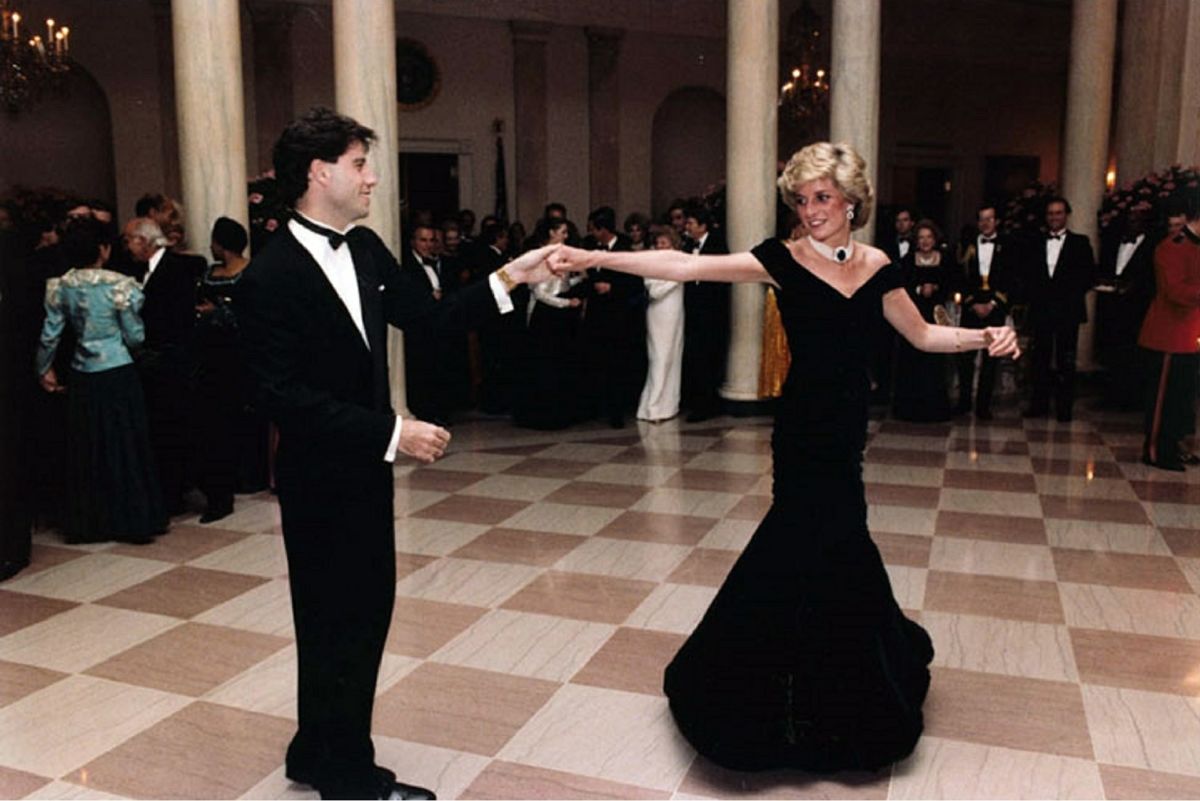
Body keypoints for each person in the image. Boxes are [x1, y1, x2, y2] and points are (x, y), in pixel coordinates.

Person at [550, 141, 1019, 773]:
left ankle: (849, 687)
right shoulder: (782, 259)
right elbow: (686, 267)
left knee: (841, 539)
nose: (810, 210)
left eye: (822, 197)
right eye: (800, 199)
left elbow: (924, 333)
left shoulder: (880, 265)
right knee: (811, 539)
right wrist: (590, 255)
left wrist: (983, 337)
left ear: (852, 200)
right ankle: (766, 694)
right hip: (802, 430)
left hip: (848, 429)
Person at [237, 107, 556, 801]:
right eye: (359, 163)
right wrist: (393, 431)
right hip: (321, 476)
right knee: (339, 619)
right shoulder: (269, 277)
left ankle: (316, 748)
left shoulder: (367, 247)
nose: (372, 176)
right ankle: (348, 777)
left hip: (363, 475)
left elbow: (435, 319)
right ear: (320, 173)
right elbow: (280, 397)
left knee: (355, 614)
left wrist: (513, 277)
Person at [35, 216, 165, 545]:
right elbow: (135, 336)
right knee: (125, 444)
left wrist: (43, 368)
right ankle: (134, 519)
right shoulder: (120, 285)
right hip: (118, 370)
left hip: (83, 372)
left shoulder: (60, 286)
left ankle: (91, 522)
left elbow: (50, 335)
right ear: (103, 250)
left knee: (88, 447)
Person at [194, 217, 256, 523]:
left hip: (240, 352)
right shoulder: (208, 272)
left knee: (242, 411)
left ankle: (247, 475)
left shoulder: (251, 271)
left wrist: (219, 312)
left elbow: (253, 313)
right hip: (209, 355)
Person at [1137, 190, 1200, 471]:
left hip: (1191, 336)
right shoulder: (1172, 246)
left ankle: (1174, 445)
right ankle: (1155, 450)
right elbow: (1175, 292)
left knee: (1183, 398)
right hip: (1169, 335)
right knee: (1164, 398)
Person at [1023, 196, 1095, 422]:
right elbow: (1028, 276)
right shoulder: (1035, 242)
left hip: (1067, 310)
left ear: (1066, 215)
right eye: (1051, 213)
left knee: (1066, 360)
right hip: (1041, 310)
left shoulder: (1080, 242)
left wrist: (1065, 296)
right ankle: (1039, 404)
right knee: (1039, 359)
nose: (1054, 217)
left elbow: (1088, 277)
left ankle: (1065, 409)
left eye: (1059, 213)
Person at [513, 217, 583, 430]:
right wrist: (566, 303)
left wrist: (579, 279)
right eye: (562, 231)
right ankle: (541, 415)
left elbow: (559, 285)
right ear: (551, 233)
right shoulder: (538, 256)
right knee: (543, 365)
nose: (566, 235)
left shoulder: (560, 255)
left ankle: (558, 413)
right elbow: (540, 292)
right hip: (543, 316)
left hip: (557, 318)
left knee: (557, 364)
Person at [955, 203, 1019, 420]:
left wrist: (993, 303)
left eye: (990, 219)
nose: (985, 223)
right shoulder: (967, 244)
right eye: (982, 219)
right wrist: (972, 302)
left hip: (995, 308)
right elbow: (959, 277)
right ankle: (964, 402)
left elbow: (1013, 277)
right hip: (972, 308)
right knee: (965, 358)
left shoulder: (1008, 245)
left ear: (997, 221)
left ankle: (983, 406)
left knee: (991, 360)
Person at [892, 219, 952, 422]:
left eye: (929, 237)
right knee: (912, 359)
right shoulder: (908, 260)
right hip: (913, 314)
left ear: (935, 239)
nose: (925, 241)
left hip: (936, 316)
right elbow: (901, 286)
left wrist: (936, 289)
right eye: (921, 237)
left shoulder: (945, 259)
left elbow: (953, 284)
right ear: (916, 240)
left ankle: (934, 408)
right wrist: (919, 290)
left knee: (934, 361)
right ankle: (909, 408)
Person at [680, 202, 730, 421]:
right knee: (695, 357)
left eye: (690, 223)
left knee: (710, 357)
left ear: (702, 225)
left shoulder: (718, 244)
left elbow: (723, 277)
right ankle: (697, 402)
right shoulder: (686, 246)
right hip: (693, 310)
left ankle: (708, 404)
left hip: (712, 312)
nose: (687, 227)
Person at [637, 226, 685, 422]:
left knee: (674, 356)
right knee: (660, 357)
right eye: (658, 244)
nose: (660, 247)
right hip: (659, 313)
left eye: (664, 243)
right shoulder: (651, 264)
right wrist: (676, 279)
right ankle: (652, 408)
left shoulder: (681, 261)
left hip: (676, 313)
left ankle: (669, 405)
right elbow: (654, 291)